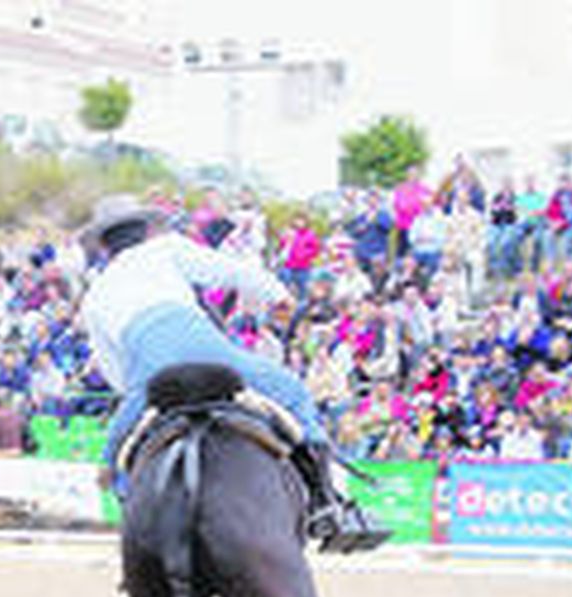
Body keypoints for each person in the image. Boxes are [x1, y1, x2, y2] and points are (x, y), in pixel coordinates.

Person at [77, 195, 388, 552]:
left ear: (103, 245)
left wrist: (139, 395)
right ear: (147, 230)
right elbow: (232, 272)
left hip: (148, 372)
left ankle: (139, 534)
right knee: (292, 393)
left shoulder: (95, 296)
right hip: (207, 347)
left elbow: (115, 370)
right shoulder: (164, 249)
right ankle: (325, 504)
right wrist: (279, 295)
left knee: (115, 456)